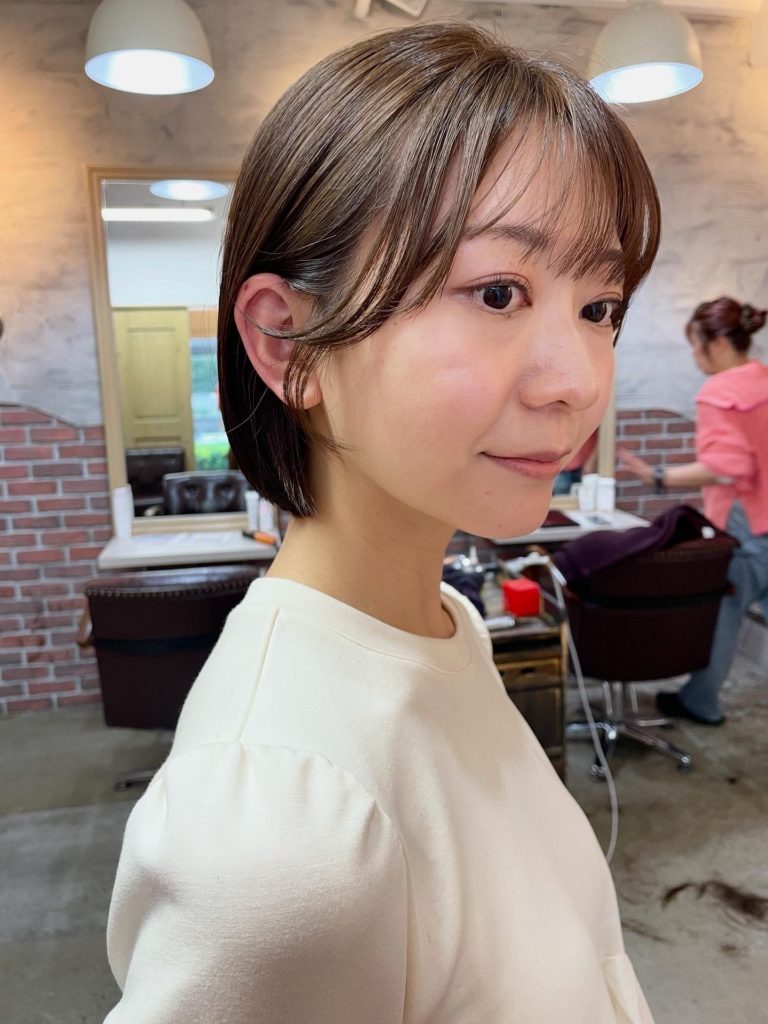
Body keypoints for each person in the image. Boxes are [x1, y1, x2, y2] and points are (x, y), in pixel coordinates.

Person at [104, 23, 660, 1023]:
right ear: (289, 344)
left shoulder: (442, 626)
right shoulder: (276, 835)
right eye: (499, 292)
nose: (580, 382)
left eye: (600, 307)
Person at [619, 297, 768, 725]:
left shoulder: (721, 391)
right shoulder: (762, 379)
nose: (694, 355)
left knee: (723, 614)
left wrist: (658, 477)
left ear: (717, 342)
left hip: (747, 524)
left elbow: (728, 466)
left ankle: (701, 703)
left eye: (695, 344)